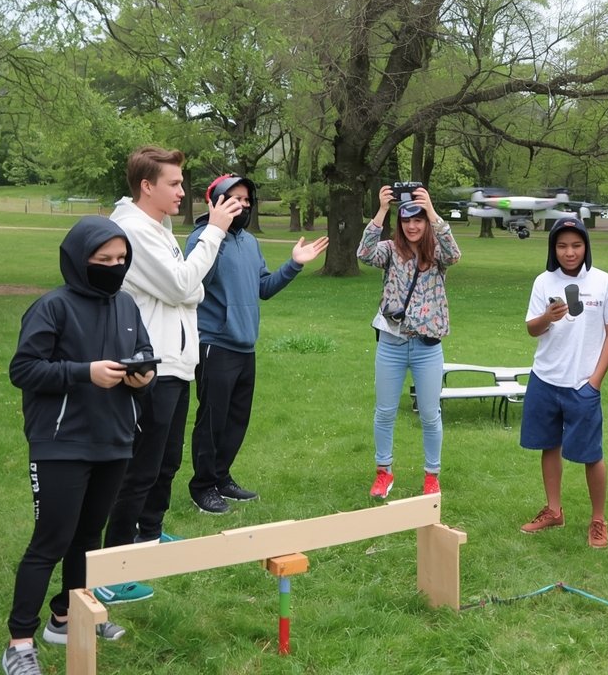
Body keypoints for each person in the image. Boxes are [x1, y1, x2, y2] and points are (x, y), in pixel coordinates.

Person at [3, 217, 155, 675]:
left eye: (120, 260)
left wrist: (142, 376)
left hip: (114, 441)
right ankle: (19, 642)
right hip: (61, 444)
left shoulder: (127, 306)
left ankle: (67, 618)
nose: (113, 267)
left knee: (89, 542)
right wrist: (81, 371)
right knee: (51, 541)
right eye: (102, 260)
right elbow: (24, 370)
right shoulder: (51, 308)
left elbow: (144, 358)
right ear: (77, 260)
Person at [98, 146, 242, 605]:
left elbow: (191, 289)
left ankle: (148, 535)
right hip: (148, 367)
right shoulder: (132, 230)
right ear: (147, 186)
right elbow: (184, 285)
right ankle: (113, 569)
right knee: (138, 469)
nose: (182, 191)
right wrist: (214, 234)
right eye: (174, 184)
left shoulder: (157, 227)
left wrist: (186, 281)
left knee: (166, 461)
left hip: (177, 364)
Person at [186, 174, 329, 514]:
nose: (244, 205)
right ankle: (202, 486)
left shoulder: (249, 243)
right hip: (214, 345)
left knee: (236, 420)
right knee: (211, 420)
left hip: (245, 346)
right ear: (217, 201)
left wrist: (294, 264)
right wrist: (214, 232)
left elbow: (263, 287)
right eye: (235, 199)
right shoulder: (202, 239)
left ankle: (221, 478)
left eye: (247, 200)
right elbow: (191, 283)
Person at [519, 217, 608, 549]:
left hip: (582, 384)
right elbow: (532, 329)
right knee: (549, 444)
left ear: (586, 247)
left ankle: (598, 520)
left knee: (591, 454)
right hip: (545, 378)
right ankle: (554, 511)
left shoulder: (604, 282)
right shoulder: (543, 282)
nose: (569, 252)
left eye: (576, 245)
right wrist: (547, 318)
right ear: (553, 248)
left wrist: (594, 382)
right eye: (562, 246)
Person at [357, 184, 461, 498]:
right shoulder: (390, 250)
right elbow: (364, 253)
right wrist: (381, 210)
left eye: (418, 220)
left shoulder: (437, 254)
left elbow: (455, 254)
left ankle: (432, 476)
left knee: (430, 414)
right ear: (400, 223)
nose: (413, 226)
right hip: (392, 343)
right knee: (385, 411)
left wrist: (432, 210)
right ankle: (383, 472)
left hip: (427, 347)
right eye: (407, 221)